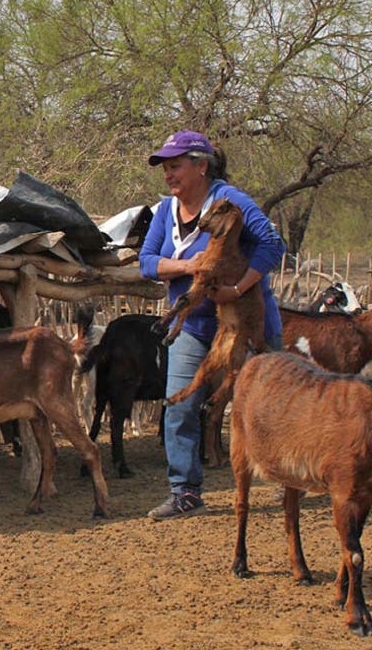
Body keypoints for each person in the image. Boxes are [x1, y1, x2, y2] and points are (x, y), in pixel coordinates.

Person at [138, 130, 285, 520]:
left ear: (201, 167)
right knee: (181, 405)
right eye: (166, 169)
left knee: (265, 406)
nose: (169, 176)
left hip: (246, 322)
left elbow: (274, 245)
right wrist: (190, 266)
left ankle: (287, 480)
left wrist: (238, 288)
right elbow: (147, 262)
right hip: (195, 327)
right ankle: (185, 491)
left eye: (175, 167)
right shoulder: (166, 211)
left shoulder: (231, 202)